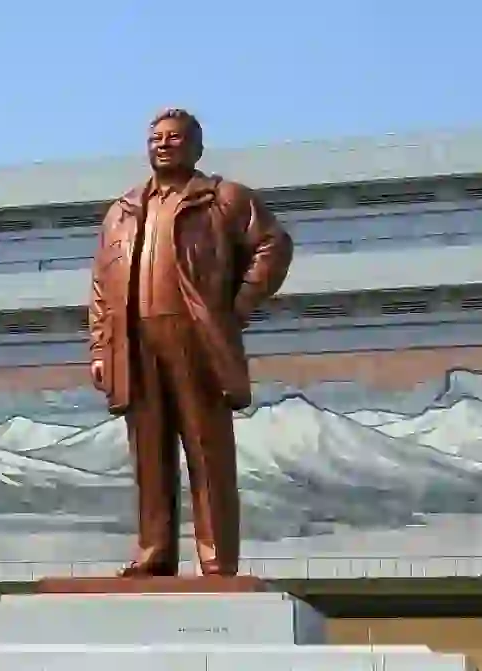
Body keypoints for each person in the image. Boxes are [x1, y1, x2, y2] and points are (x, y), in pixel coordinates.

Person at [89, 108, 294, 578]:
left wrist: (238, 304)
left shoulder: (223, 199)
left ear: (197, 147)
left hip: (196, 336)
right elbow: (102, 284)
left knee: (207, 449)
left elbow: (273, 246)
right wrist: (102, 348)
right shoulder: (123, 210)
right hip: (136, 342)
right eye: (156, 137)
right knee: (149, 454)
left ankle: (217, 559)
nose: (163, 144)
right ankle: (154, 551)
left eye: (175, 138)